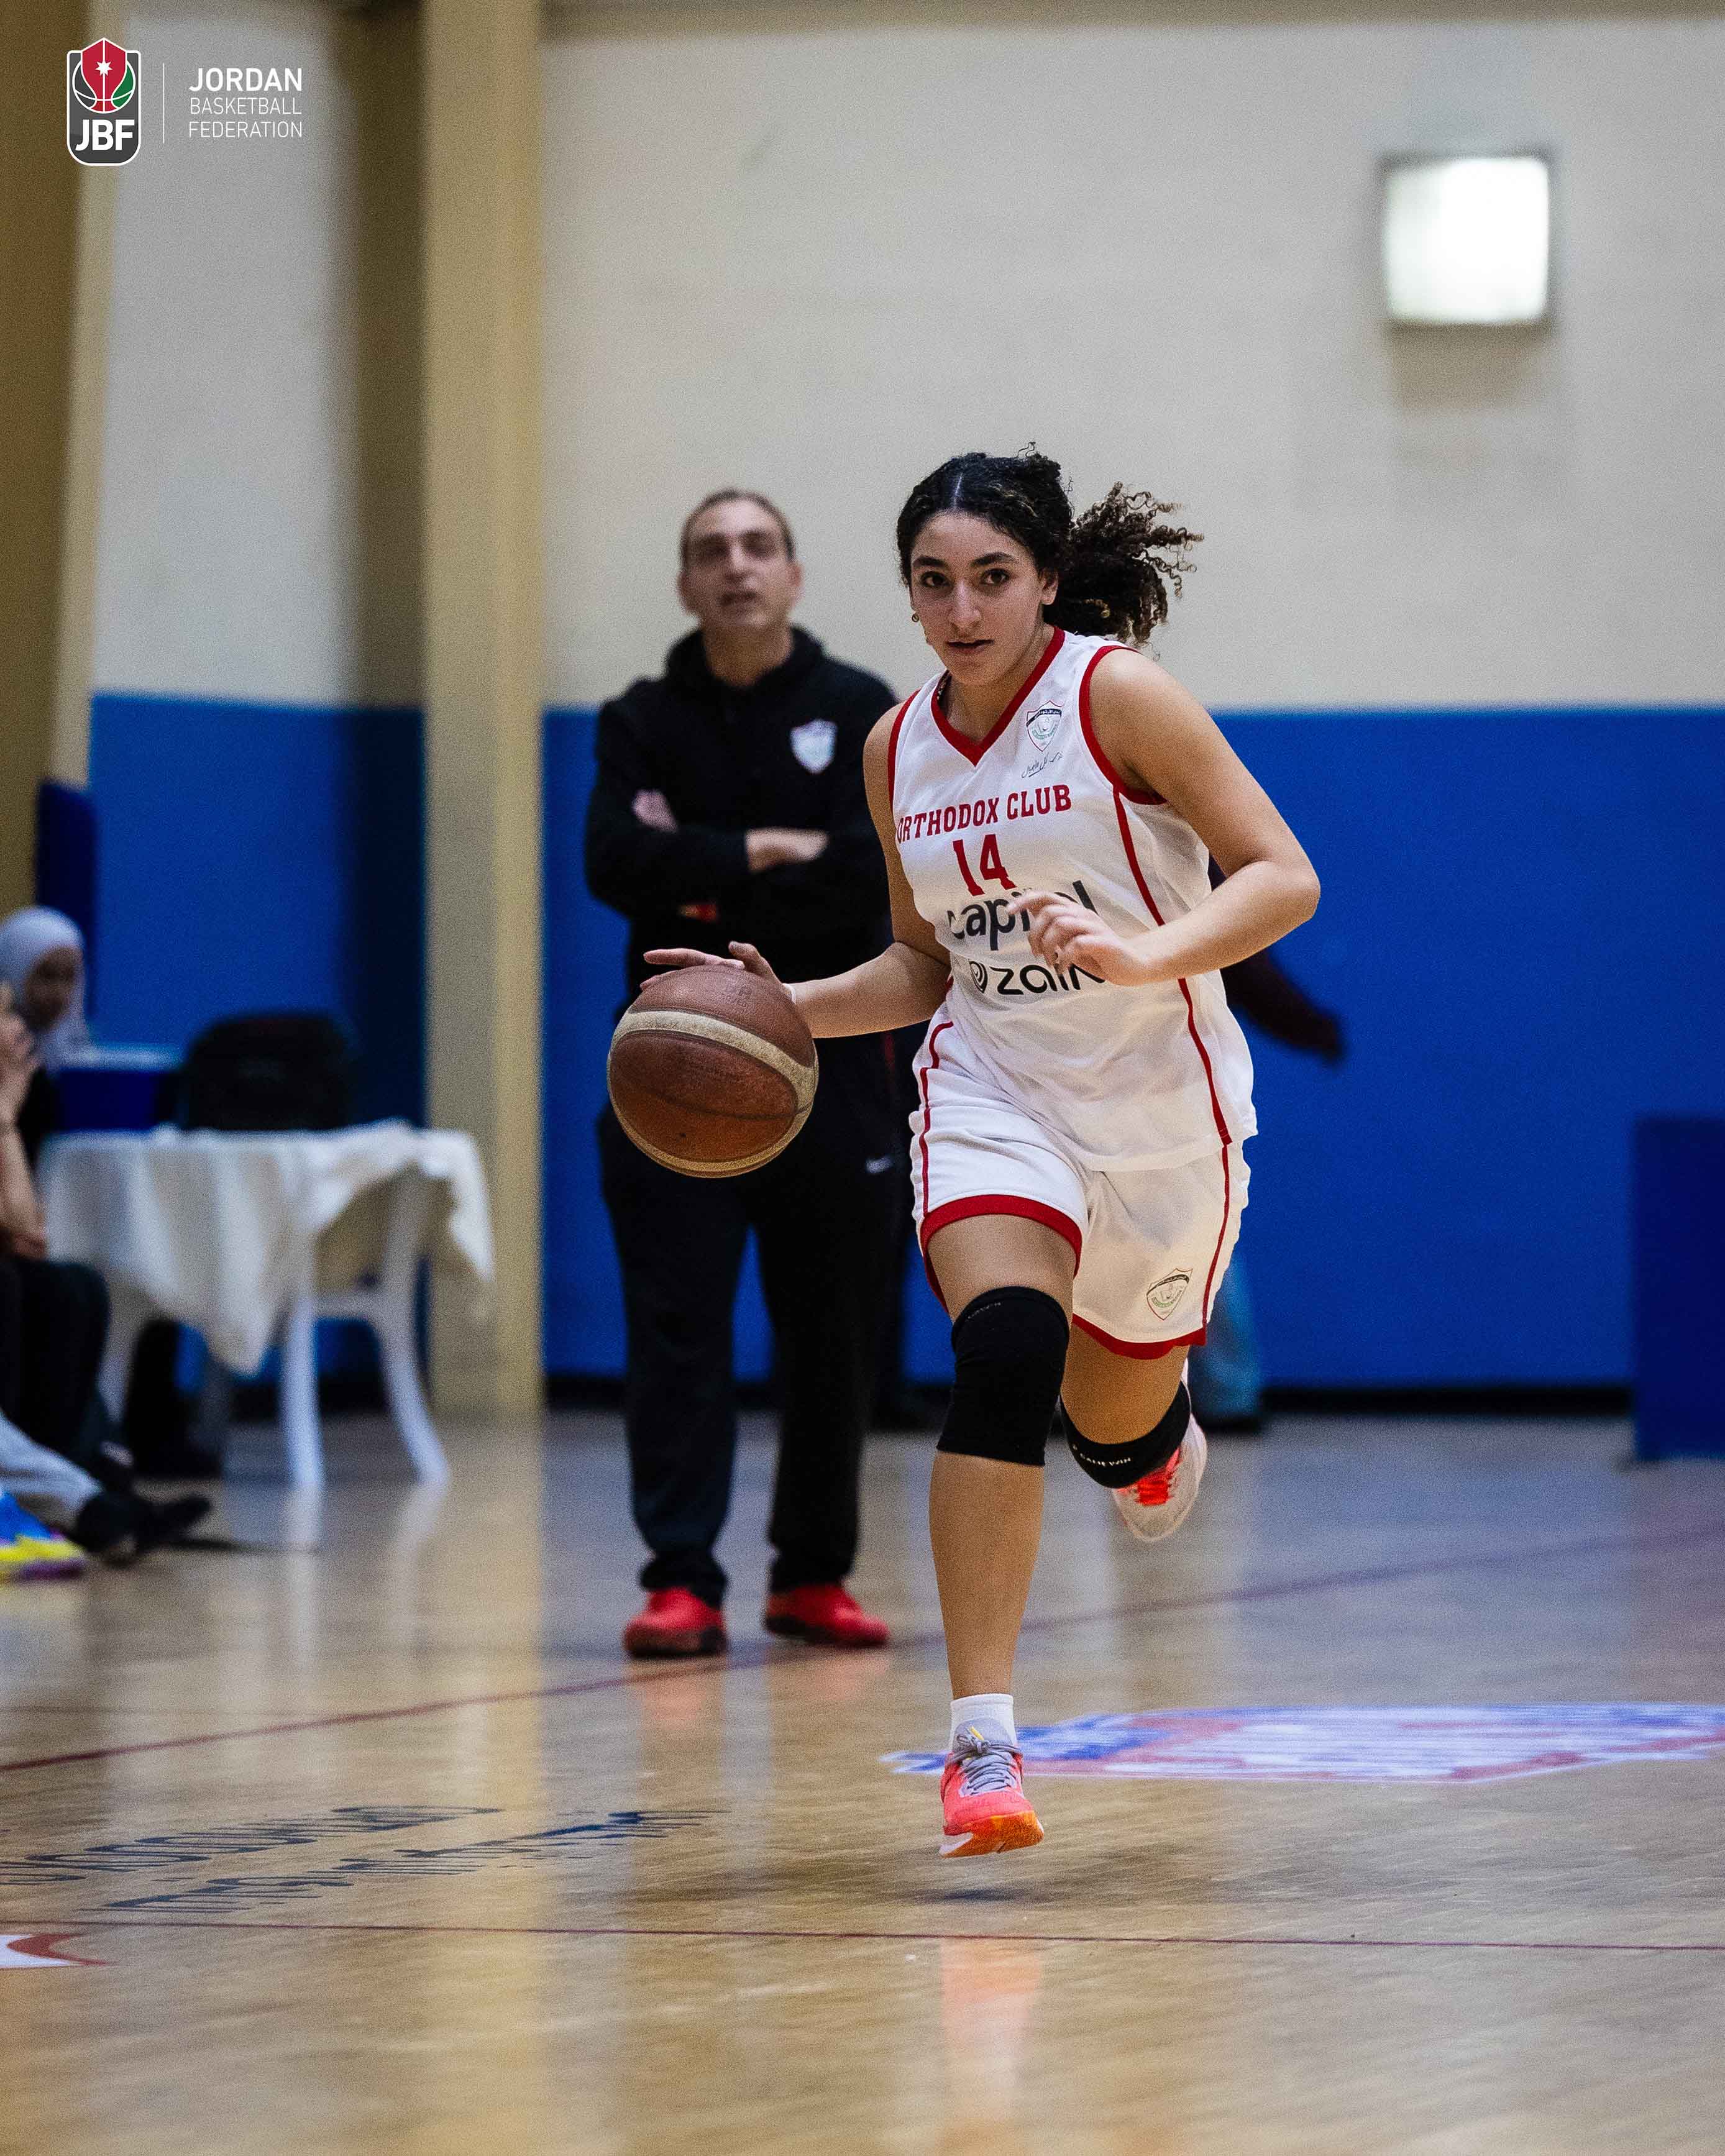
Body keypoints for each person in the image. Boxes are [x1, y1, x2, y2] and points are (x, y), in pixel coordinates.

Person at [647, 449, 1319, 1856]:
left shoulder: (1116, 697)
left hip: (1160, 1114)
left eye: (991, 578)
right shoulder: (897, 746)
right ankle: (983, 1747)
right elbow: (920, 964)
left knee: (1113, 1430)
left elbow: (1280, 874)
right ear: (905, 593)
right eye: (933, 581)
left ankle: (1147, 1436)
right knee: (1003, 1348)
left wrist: (1146, 951)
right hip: (994, 1092)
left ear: (1047, 581)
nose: (961, 610)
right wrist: (776, 1008)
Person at [586, 488, 901, 1660]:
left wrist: (702, 873)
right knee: (676, 1328)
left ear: (795, 574)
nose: (736, 566)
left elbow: (870, 878)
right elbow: (614, 860)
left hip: (835, 1066)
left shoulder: (861, 708)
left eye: (759, 546)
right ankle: (681, 1579)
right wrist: (770, 849)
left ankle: (811, 1575)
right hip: (667, 1076)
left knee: (834, 1334)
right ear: (685, 585)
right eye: (711, 551)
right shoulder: (639, 718)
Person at [1187, 930, 1348, 1432]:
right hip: (1170, 1084)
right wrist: (1310, 1025)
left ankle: (1226, 1392)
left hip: (1153, 1084)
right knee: (1204, 1238)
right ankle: (1229, 1393)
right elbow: (1251, 970)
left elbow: (1248, 965)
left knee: (1195, 1236)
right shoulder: (1192, 884)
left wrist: (1307, 1024)